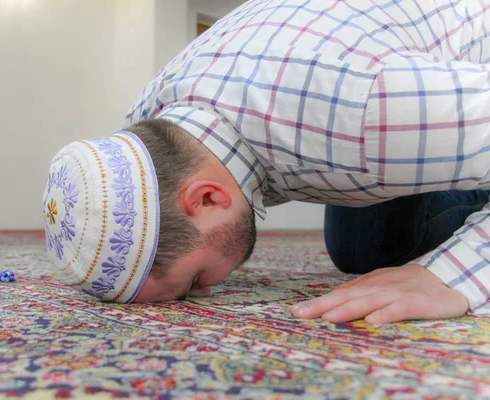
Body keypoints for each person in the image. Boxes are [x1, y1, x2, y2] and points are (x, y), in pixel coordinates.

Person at [43, 0, 490, 324]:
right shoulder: (153, 124)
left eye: (193, 278)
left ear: (205, 198)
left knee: (378, 250)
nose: (205, 291)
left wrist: (450, 276)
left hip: (466, 60)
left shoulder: (362, 115)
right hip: (406, 94)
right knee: (361, 244)